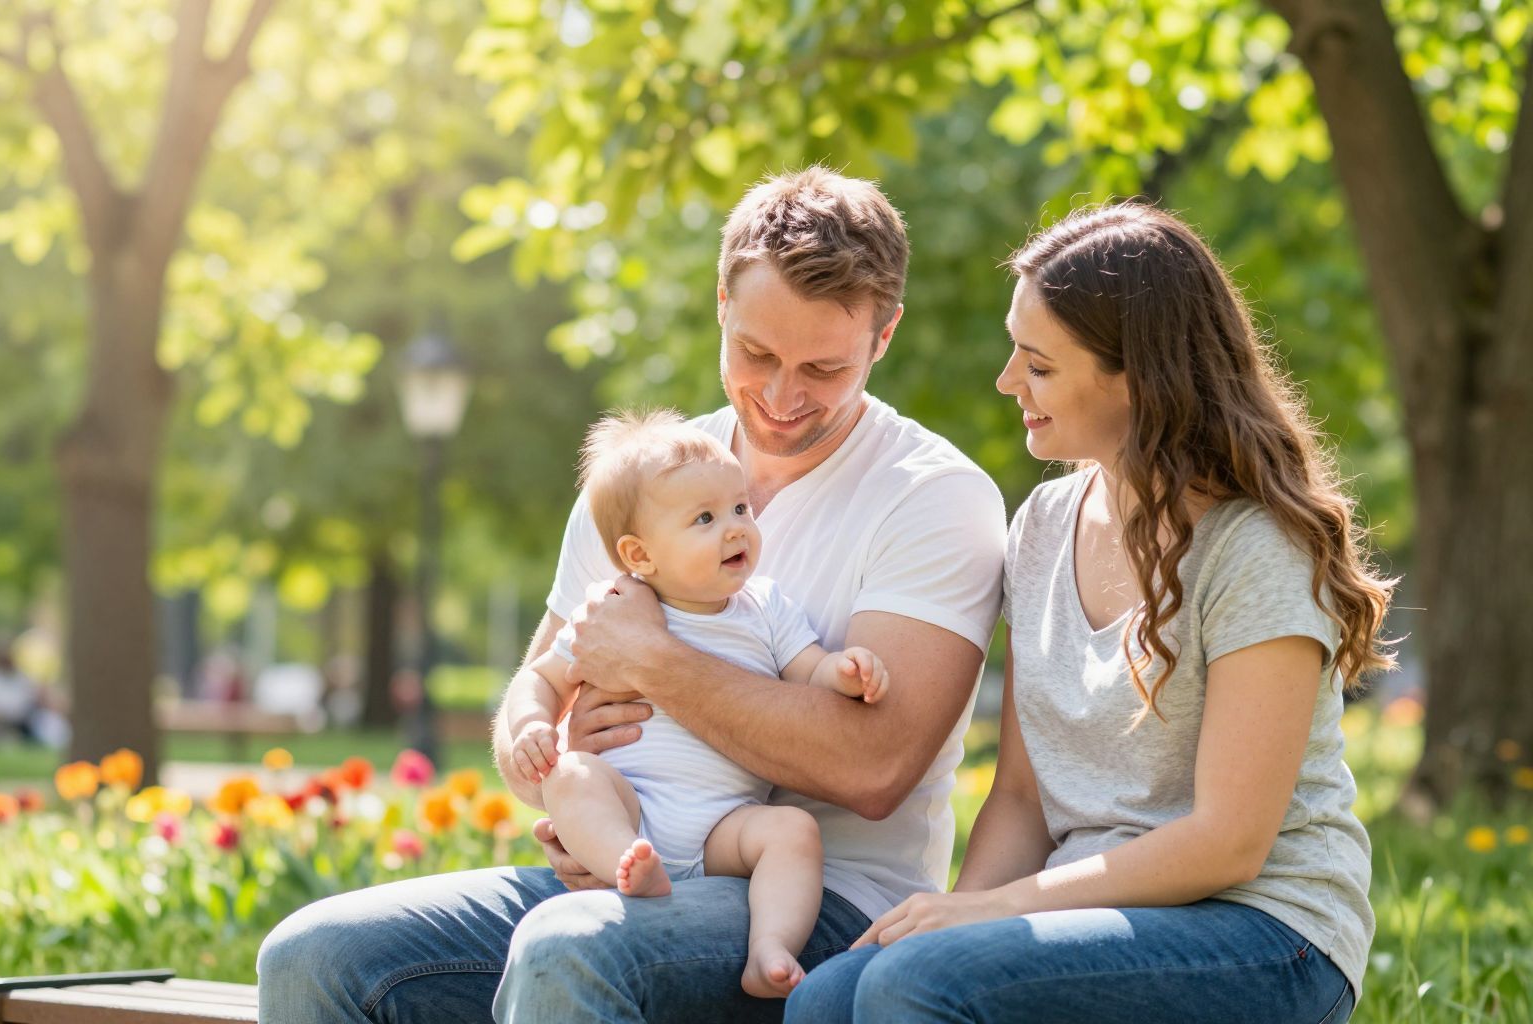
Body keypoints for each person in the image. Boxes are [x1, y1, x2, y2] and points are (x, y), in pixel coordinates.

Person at [256, 166, 1007, 1023]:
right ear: (722, 303)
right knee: (317, 956)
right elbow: (532, 706)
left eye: (823, 368)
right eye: (756, 353)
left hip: (818, 908)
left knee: (571, 948)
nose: (781, 395)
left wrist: (654, 664)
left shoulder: (934, 497)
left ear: (884, 337)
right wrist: (569, 783)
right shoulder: (645, 481)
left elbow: (872, 768)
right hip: (628, 870)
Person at [783, 202, 1394, 1024]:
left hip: (1265, 932)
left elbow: (1229, 841)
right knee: (832, 998)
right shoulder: (1041, 526)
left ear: (1136, 377)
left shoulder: (1255, 548)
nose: (1007, 382)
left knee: (914, 988)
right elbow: (1024, 802)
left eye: (1037, 365)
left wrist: (989, 921)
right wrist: (944, 925)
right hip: (1093, 914)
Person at [503, 409, 890, 998]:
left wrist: (844, 670)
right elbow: (544, 677)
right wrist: (533, 723)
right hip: (633, 807)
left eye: (740, 509)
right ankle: (624, 865)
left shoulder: (764, 607)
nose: (736, 528)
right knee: (573, 775)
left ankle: (770, 947)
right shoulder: (611, 608)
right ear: (639, 555)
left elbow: (807, 669)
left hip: (724, 828)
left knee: (792, 831)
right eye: (705, 519)